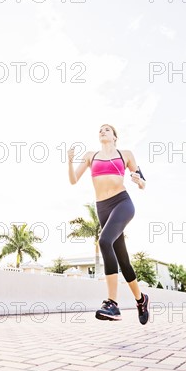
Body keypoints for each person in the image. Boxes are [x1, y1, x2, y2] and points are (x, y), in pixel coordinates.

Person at [67, 124, 149, 325]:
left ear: (114, 136)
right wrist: (69, 161)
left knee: (104, 241)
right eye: (100, 130)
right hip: (102, 208)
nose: (102, 131)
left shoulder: (126, 154)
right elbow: (73, 180)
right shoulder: (90, 156)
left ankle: (112, 302)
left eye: (107, 130)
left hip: (122, 203)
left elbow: (143, 183)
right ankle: (141, 299)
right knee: (123, 259)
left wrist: (138, 180)